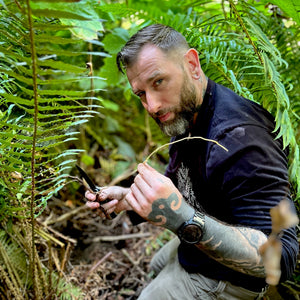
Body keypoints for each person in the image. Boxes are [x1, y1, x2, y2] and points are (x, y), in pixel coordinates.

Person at [85, 24, 299, 299]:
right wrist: (129, 198)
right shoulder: (187, 113)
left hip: (236, 278)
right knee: (155, 265)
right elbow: (185, 183)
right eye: (141, 94)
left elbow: (281, 260)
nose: (152, 106)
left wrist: (183, 219)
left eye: (158, 82)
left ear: (192, 64)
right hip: (201, 246)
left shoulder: (242, 142)